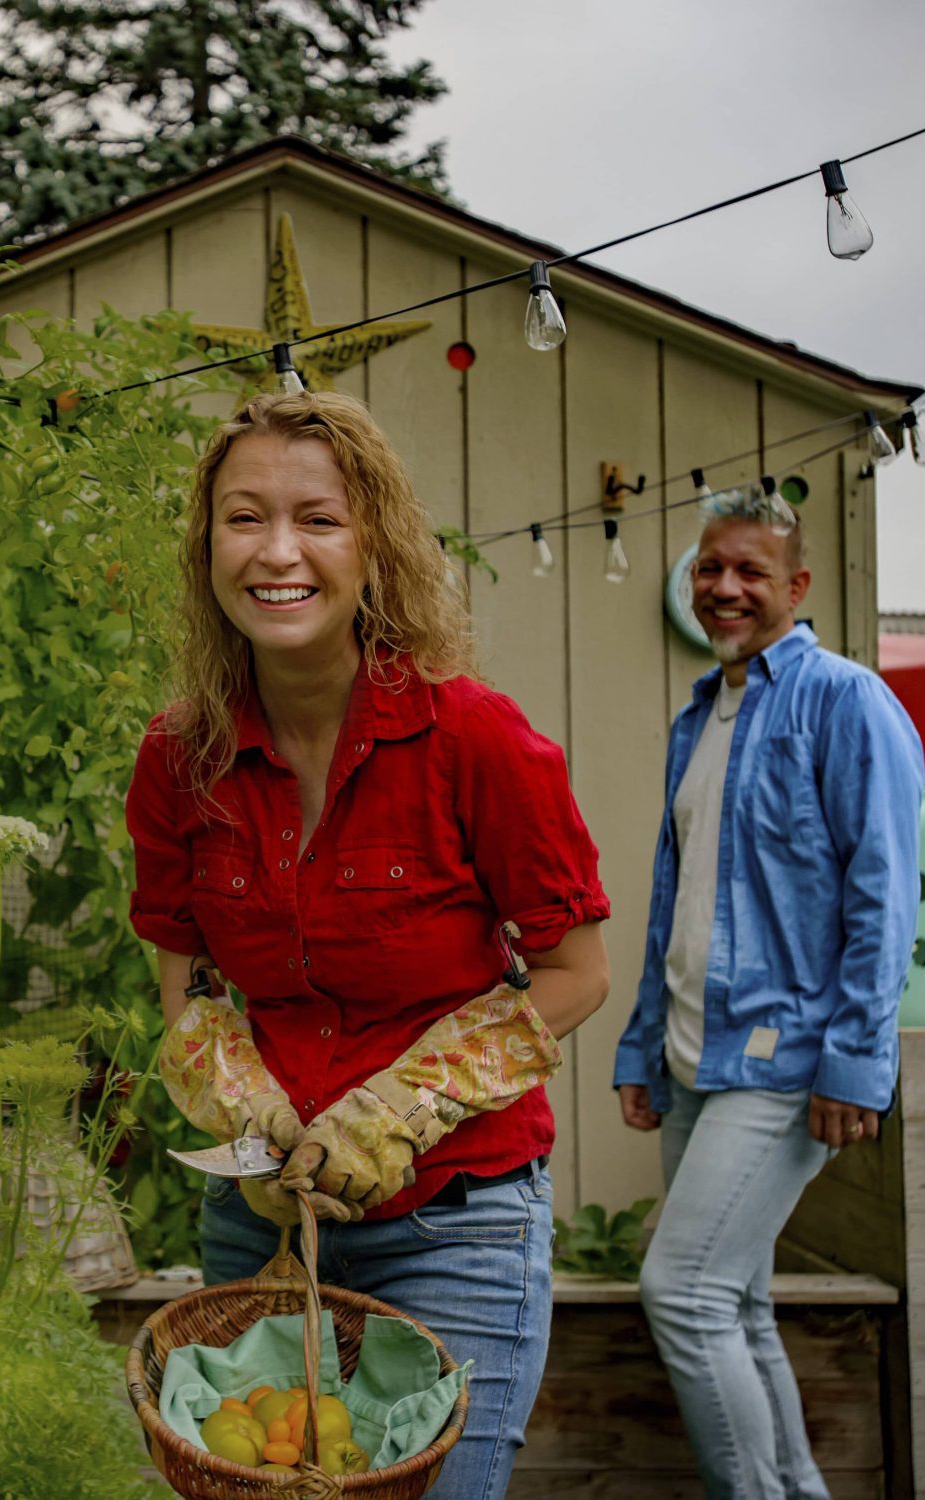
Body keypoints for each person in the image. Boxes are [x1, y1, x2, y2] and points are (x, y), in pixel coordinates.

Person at [128, 391, 612, 1500]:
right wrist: (238, 1099)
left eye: (318, 520)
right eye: (244, 518)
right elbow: (184, 965)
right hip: (255, 1216)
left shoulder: (473, 738)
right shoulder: (178, 757)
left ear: (375, 546)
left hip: (454, 1217)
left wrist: (398, 1110)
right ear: (207, 545)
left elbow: (576, 970)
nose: (277, 552)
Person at [612, 490, 923, 1500]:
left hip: (786, 1060)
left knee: (682, 1289)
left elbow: (881, 896)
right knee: (736, 1304)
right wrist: (640, 1045)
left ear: (795, 586)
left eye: (749, 571)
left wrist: (855, 1065)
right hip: (696, 1055)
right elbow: (677, 892)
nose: (726, 587)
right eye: (710, 568)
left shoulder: (847, 701)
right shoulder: (698, 714)